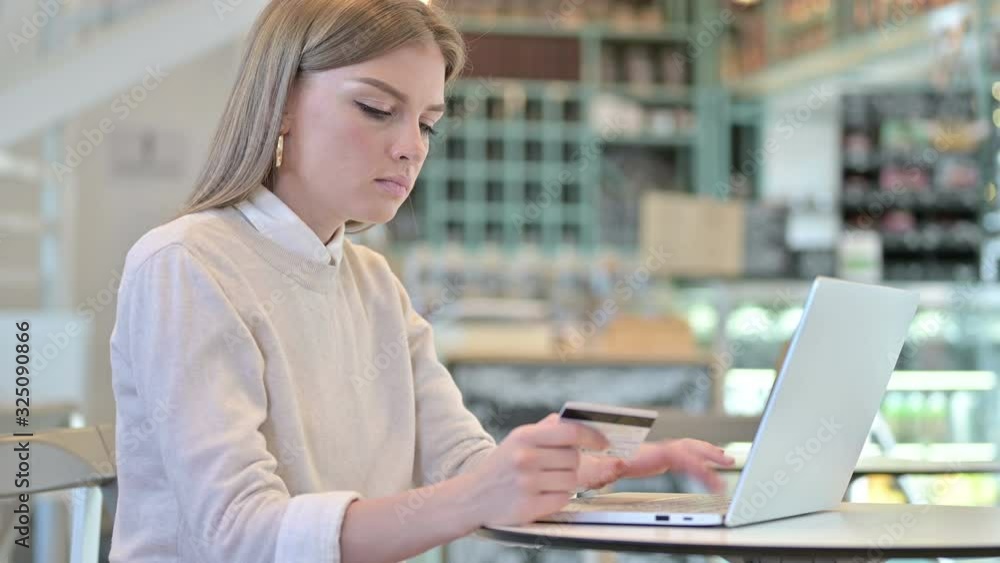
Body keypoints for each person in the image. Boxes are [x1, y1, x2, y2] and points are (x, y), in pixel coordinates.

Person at [108, 1, 734, 562]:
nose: (411, 147)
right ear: (282, 103)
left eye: (428, 122)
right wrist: (473, 497)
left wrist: (590, 468)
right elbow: (238, 535)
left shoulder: (373, 282)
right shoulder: (187, 264)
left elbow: (463, 462)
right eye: (377, 108)